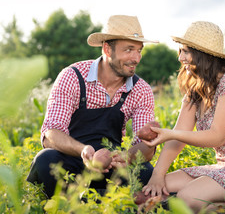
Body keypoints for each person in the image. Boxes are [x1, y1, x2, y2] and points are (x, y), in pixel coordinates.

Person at [140, 21, 225, 212]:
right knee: (150, 193)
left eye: (186, 51)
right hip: (224, 168)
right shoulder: (195, 88)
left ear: (203, 54)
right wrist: (157, 174)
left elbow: (217, 136)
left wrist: (170, 134)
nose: (180, 57)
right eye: (180, 51)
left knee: (187, 198)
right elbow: (178, 137)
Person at [26, 15, 160, 198]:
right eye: (129, 50)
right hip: (72, 159)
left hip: (112, 166)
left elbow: (145, 147)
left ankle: (103, 204)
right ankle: (68, 206)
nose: (136, 58)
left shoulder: (141, 90)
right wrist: (83, 151)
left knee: (145, 172)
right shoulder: (72, 77)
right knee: (45, 160)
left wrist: (127, 156)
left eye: (139, 50)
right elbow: (51, 133)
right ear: (107, 49)